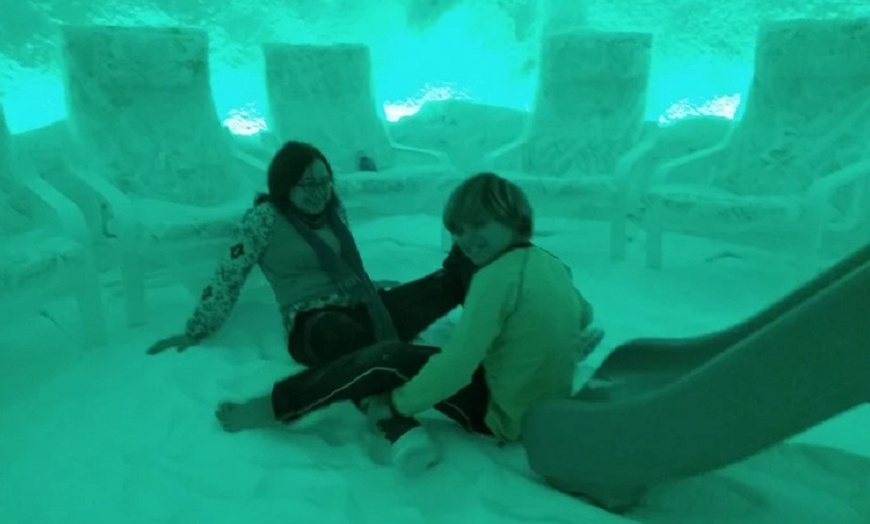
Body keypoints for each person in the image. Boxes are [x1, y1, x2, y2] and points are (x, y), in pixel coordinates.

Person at [215, 172, 601, 468]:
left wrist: (397, 404)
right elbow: (584, 313)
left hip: (504, 416)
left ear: (515, 220)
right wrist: (547, 336)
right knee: (404, 350)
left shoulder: (494, 277)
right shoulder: (551, 264)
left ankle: (276, 405)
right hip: (544, 402)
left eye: (479, 224)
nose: (467, 238)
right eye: (459, 230)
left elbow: (456, 366)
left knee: (386, 358)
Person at [147, 140, 479, 468]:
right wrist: (197, 329)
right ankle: (395, 425)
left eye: (324, 181)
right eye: (307, 184)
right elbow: (228, 275)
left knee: (448, 280)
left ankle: (494, 333)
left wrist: (371, 287)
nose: (318, 191)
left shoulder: (334, 211)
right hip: (313, 321)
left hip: (364, 304)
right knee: (350, 338)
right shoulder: (264, 219)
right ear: (284, 185)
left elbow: (344, 265)